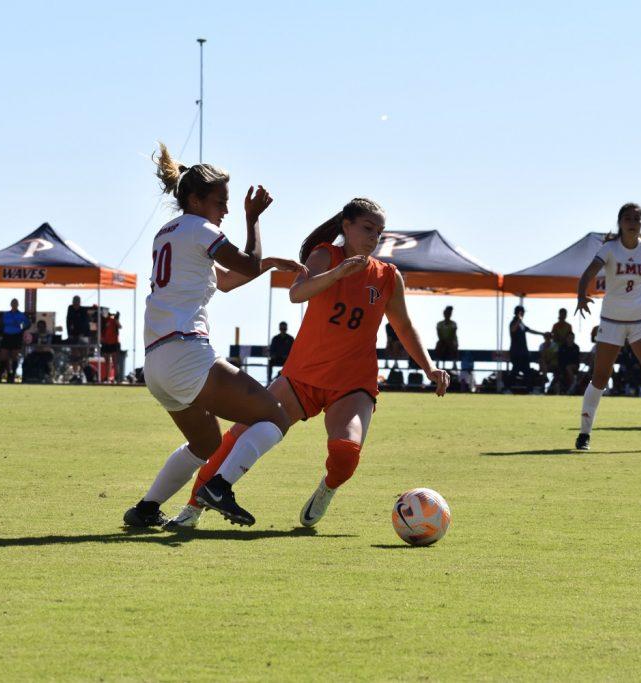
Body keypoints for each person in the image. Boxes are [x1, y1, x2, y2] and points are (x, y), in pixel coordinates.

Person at [168, 198, 450, 529]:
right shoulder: (324, 255)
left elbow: (403, 325)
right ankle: (192, 508)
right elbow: (297, 294)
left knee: (346, 452)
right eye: (368, 229)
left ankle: (326, 490)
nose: (374, 237)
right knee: (240, 436)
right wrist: (339, 272)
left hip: (353, 384)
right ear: (347, 226)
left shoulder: (388, 276)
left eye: (380, 232)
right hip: (301, 377)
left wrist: (429, 367)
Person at [123, 142, 306, 529]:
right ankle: (219, 486)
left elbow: (223, 282)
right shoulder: (202, 228)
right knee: (275, 416)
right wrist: (252, 217)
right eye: (220, 201)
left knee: (205, 445)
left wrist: (268, 264)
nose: (224, 209)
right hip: (187, 353)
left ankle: (145, 509)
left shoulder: (167, 232)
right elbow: (246, 260)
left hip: (156, 362)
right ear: (195, 198)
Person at [574, 203, 641, 452]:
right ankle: (584, 434)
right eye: (627, 218)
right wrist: (582, 296)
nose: (632, 222)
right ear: (620, 222)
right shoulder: (610, 248)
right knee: (600, 377)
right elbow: (587, 275)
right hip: (612, 321)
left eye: (637, 218)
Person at [508, 306, 543, 388]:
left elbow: (530, 330)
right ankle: (507, 388)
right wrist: (518, 320)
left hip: (524, 352)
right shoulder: (513, 322)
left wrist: (542, 333)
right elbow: (512, 330)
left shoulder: (521, 324)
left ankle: (529, 389)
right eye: (522, 312)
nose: (523, 314)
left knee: (527, 372)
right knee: (515, 371)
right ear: (518, 313)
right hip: (516, 352)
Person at [0, 299, 30, 383]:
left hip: (16, 336)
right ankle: (0, 375)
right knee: (3, 356)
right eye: (13, 303)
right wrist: (2, 330)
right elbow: (1, 323)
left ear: (18, 304)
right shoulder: (6, 314)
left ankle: (12, 376)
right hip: (6, 336)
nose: (14, 304)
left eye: (15, 303)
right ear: (11, 304)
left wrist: (21, 328)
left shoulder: (21, 315)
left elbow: (26, 324)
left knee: (14, 356)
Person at [66, 296, 91, 382]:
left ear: (79, 302)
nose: (75, 304)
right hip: (73, 336)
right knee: (74, 355)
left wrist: (82, 334)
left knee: (83, 356)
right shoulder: (70, 309)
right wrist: (69, 334)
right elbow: (68, 321)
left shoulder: (83, 311)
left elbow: (85, 323)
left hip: (83, 336)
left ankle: (82, 373)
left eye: (77, 302)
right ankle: (75, 374)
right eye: (74, 302)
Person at [100, 311, 122, 383]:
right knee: (107, 362)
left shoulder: (112, 319)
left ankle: (116, 378)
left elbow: (120, 326)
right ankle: (107, 378)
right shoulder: (102, 321)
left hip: (114, 343)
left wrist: (116, 320)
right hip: (105, 343)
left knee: (115, 362)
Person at [435, 306, 459, 371]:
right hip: (442, 342)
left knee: (452, 345)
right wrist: (444, 341)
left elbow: (453, 334)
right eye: (446, 313)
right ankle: (437, 363)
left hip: (452, 342)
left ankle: (454, 364)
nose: (447, 314)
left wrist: (447, 341)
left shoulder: (453, 324)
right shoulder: (439, 324)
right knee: (439, 344)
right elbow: (439, 334)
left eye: (449, 313)